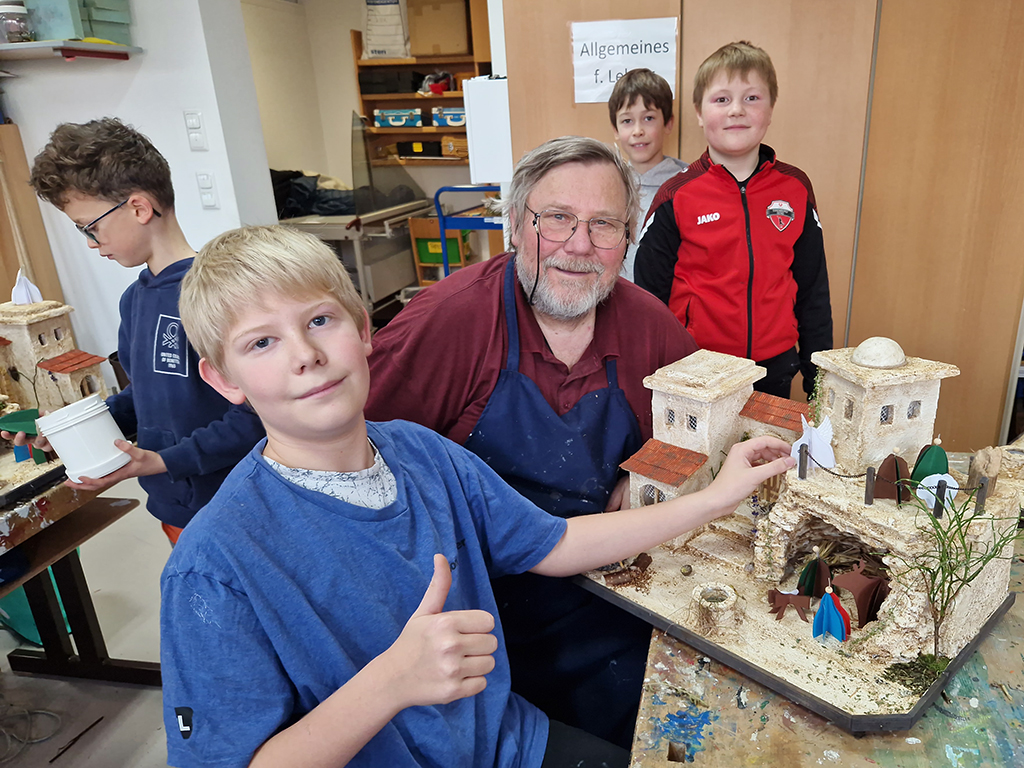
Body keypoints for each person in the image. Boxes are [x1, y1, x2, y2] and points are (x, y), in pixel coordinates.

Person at [160, 223, 794, 768]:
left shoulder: (421, 453)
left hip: (508, 744)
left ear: (363, 329)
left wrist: (714, 499)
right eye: (262, 342)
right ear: (224, 379)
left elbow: (557, 542)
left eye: (320, 321)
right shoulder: (215, 563)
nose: (305, 355)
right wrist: (391, 683)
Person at [364, 136, 698, 748]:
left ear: (627, 239)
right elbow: (351, 452)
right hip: (472, 611)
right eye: (557, 219)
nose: (580, 245)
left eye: (603, 225)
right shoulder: (449, 323)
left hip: (605, 595)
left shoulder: (649, 324)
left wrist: (646, 469)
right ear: (516, 225)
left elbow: (698, 427)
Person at [14, 118, 265, 544]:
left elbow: (259, 413)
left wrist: (165, 460)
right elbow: (144, 398)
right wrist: (68, 432)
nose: (90, 243)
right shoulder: (134, 300)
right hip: (174, 507)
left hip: (239, 505)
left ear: (139, 208)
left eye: (90, 227)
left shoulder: (217, 293)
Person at [635, 41, 832, 400]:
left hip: (775, 370)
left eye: (752, 98)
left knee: (766, 440)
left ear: (771, 109)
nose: (737, 110)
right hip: (695, 371)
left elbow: (813, 291)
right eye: (722, 99)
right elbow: (649, 299)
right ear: (699, 112)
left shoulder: (795, 188)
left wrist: (818, 382)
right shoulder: (676, 195)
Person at [608, 68, 688, 282]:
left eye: (648, 118)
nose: (638, 131)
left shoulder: (688, 186)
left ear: (668, 123)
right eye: (627, 121)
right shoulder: (608, 184)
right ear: (615, 129)